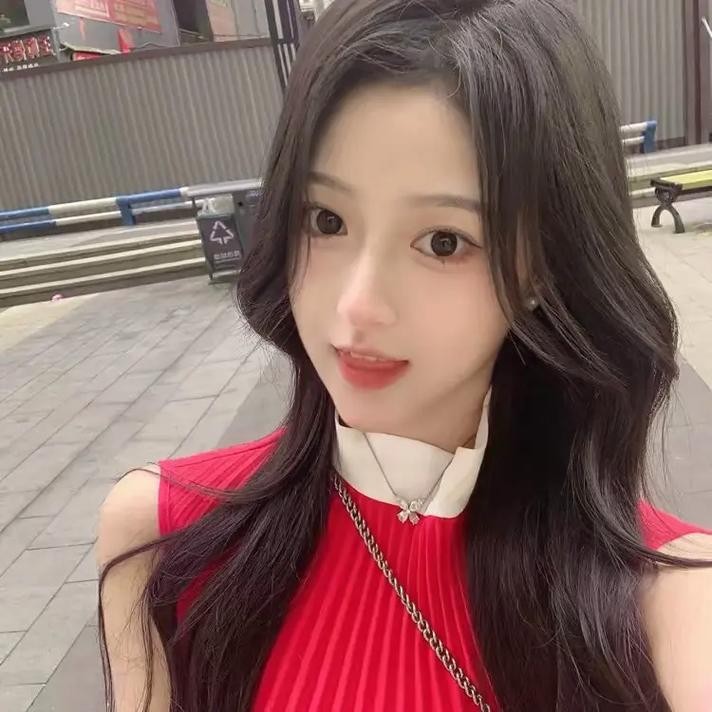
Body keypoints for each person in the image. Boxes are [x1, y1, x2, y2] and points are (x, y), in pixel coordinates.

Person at [97, 1, 712, 710]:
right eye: (326, 220)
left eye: (443, 242)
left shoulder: (667, 601)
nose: (358, 305)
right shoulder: (169, 536)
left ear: (542, 267)